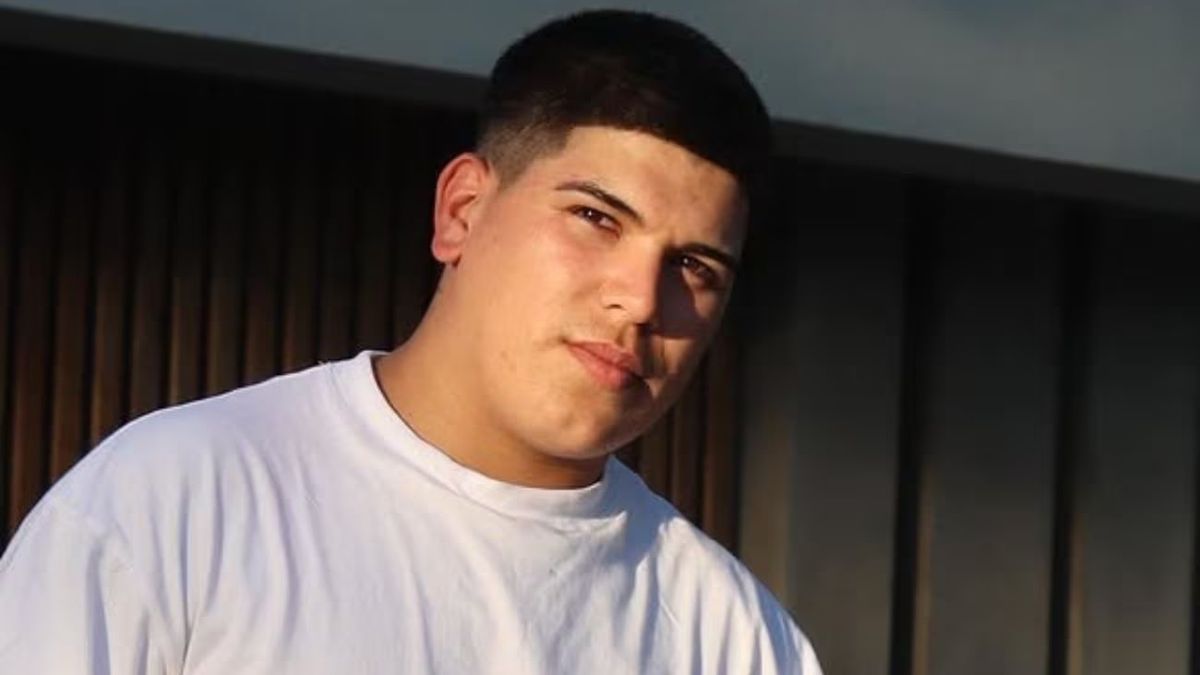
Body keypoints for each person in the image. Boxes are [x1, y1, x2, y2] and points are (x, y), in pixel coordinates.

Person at [0, 10, 822, 674]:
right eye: (595, 218)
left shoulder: (736, 639)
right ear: (462, 209)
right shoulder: (176, 502)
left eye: (694, 267)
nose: (640, 300)